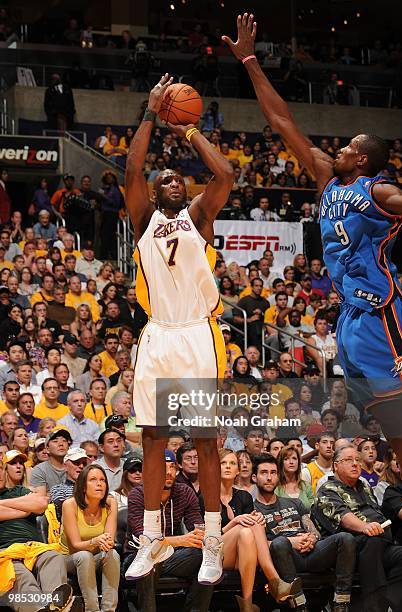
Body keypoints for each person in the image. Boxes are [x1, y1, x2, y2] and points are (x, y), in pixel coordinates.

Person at [223, 13, 402, 478]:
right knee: (389, 425)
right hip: (348, 314)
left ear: (361, 159)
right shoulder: (327, 178)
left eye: (347, 146)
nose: (338, 148)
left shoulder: (378, 191)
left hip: (382, 311)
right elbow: (281, 118)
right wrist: (249, 61)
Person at [124, 73, 234, 584]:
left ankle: (212, 540)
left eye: (176, 179)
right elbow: (132, 171)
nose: (170, 182)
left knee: (206, 440)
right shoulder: (143, 218)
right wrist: (150, 112)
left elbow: (226, 173)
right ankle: (149, 538)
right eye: (162, 179)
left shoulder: (197, 216)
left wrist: (188, 128)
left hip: (197, 334)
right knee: (152, 437)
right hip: (157, 335)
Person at [251, 453, 356, 612]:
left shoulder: (294, 503)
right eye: (264, 473)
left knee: (345, 538)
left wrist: (312, 538)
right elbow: (257, 546)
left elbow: (314, 531)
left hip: (312, 552)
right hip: (286, 557)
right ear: (254, 477)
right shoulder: (253, 509)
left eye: (273, 473)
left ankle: (341, 601)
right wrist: (292, 542)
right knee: (280, 543)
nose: (269, 477)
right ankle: (299, 604)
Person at [313, 444, 402, 612]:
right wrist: (365, 527)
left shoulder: (364, 486)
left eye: (357, 460)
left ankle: (392, 602)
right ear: (336, 465)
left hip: (382, 543)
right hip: (350, 550)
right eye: (349, 460)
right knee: (373, 541)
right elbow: (344, 517)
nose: (355, 464)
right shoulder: (328, 489)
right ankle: (375, 606)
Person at [123, 450, 215, 612]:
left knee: (205, 556)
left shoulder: (185, 492)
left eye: (172, 467)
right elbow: (143, 538)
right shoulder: (137, 495)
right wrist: (181, 540)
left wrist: (199, 536)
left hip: (172, 556)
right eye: (162, 467)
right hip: (137, 557)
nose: (168, 472)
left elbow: (198, 529)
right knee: (150, 561)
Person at [218, 449, 300, 610]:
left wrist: (258, 520)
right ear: (215, 467)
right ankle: (275, 581)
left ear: (238, 470)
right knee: (248, 525)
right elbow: (207, 538)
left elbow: (248, 534)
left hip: (242, 555)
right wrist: (234, 522)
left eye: (232, 463)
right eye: (223, 463)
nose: (228, 467)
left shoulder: (244, 497)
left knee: (253, 524)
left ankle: (247, 605)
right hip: (215, 554)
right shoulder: (205, 496)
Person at [0, 461, 75, 612]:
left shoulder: (18, 490)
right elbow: (31, 505)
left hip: (33, 548)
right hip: (5, 552)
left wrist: (4, 504)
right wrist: (24, 508)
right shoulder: (23, 497)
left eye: (0, 469)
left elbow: (41, 503)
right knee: (19, 576)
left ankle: (55, 605)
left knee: (53, 557)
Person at [60, 464, 120, 612]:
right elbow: (75, 545)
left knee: (113, 554)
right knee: (85, 556)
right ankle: (92, 609)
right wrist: (95, 541)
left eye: (102, 480)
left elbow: (109, 541)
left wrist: (107, 542)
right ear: (83, 487)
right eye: (93, 480)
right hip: (69, 558)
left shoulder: (111, 504)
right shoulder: (70, 505)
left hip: (96, 556)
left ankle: (109, 610)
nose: (99, 484)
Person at [49, 446, 88, 522]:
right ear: (65, 466)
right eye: (76, 463)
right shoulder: (57, 489)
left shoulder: (92, 487)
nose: (81, 466)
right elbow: (63, 512)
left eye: (84, 463)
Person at [29, 427, 72, 494]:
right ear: (47, 449)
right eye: (55, 441)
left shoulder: (76, 466)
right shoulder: (40, 470)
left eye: (64, 440)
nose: (61, 444)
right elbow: (40, 499)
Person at [275, 446, 315, 511]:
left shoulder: (306, 486)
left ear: (298, 462)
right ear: (281, 462)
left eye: (294, 458)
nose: (291, 462)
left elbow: (313, 509)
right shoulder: (276, 487)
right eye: (286, 459)